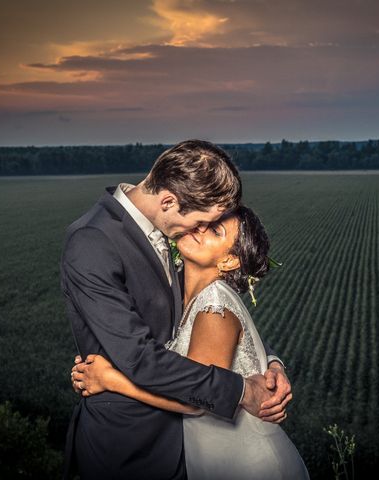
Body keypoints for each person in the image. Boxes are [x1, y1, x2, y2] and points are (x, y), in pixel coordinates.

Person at [61, 140, 292, 479]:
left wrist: (270, 361)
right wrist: (242, 390)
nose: (197, 231)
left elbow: (205, 312)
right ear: (169, 201)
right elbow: (141, 359)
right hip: (127, 448)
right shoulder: (92, 242)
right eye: (202, 221)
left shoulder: (163, 228)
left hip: (183, 446)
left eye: (211, 227)